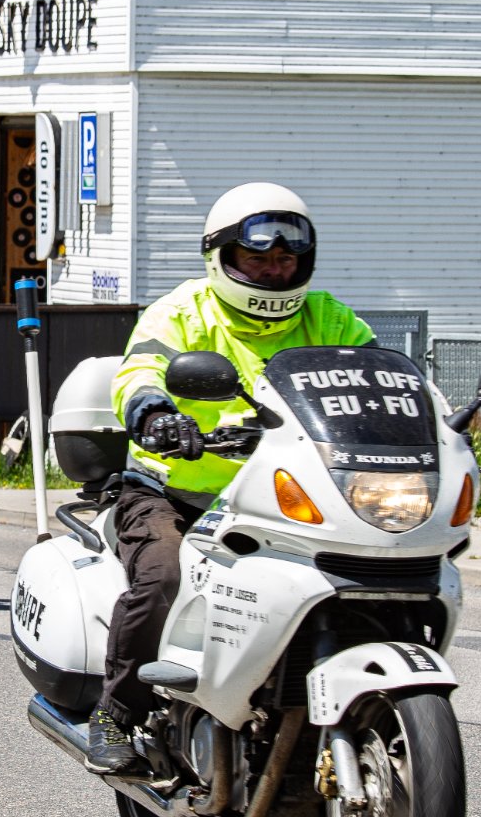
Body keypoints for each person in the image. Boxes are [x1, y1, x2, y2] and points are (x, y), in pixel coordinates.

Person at [90, 183, 376, 774]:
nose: (275, 270)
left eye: (286, 259)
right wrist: (155, 414)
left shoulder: (329, 318)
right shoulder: (183, 312)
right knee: (163, 576)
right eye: (259, 258)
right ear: (220, 255)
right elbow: (139, 370)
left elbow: (376, 374)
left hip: (291, 497)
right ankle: (115, 714)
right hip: (179, 491)